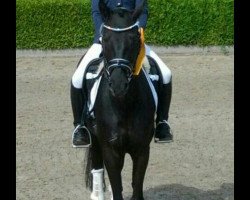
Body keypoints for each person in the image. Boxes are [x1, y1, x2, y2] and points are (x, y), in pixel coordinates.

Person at [71, 0, 173, 148]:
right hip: (107, 40)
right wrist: (104, 31)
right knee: (77, 77)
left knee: (166, 73)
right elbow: (97, 12)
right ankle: (80, 127)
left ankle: (162, 122)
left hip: (130, 40)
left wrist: (138, 29)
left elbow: (142, 10)